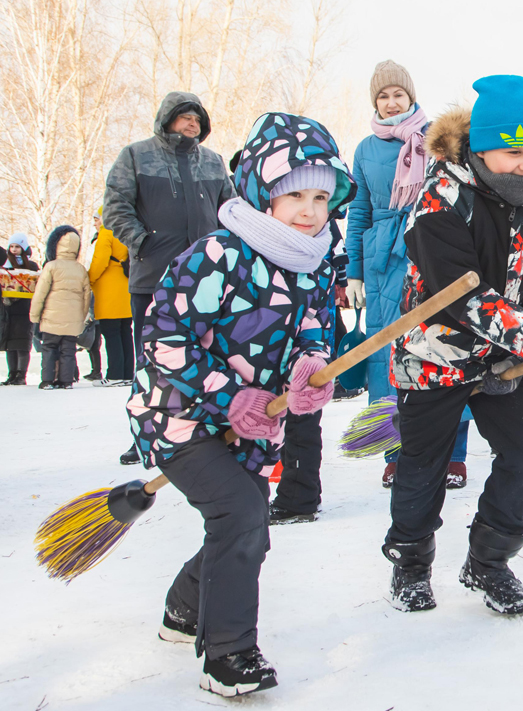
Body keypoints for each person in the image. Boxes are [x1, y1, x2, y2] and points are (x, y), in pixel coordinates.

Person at [128, 112, 352, 696]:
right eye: (294, 194)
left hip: (251, 426)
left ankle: (183, 610)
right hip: (177, 416)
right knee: (242, 516)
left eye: (320, 195)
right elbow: (162, 340)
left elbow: (314, 327)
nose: (309, 209)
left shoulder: (314, 259)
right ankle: (228, 654)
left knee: (249, 526)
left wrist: (309, 368)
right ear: (259, 192)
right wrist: (230, 397)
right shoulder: (216, 256)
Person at [383, 75, 523, 617]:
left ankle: (489, 560)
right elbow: (455, 293)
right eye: (513, 151)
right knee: (424, 464)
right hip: (435, 355)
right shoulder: (442, 198)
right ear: (481, 148)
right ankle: (411, 565)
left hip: (507, 364)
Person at [104, 91, 233, 463]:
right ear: (166, 119)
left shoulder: (212, 162)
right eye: (184, 117)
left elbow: (231, 209)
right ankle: (144, 433)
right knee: (151, 359)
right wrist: (142, 243)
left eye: (197, 118)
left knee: (208, 355)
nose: (191, 123)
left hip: (208, 281)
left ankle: (203, 427)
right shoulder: (136, 155)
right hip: (154, 275)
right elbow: (114, 206)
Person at [344, 61, 433, 489]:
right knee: (386, 355)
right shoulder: (365, 148)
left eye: (398, 94)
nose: (391, 101)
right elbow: (358, 210)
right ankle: (395, 452)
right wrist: (354, 271)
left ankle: (449, 452)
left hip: (429, 250)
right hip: (381, 259)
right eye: (383, 96)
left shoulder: (436, 138)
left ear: (411, 97)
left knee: (440, 349)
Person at [29, 226, 91, 389]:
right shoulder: (81, 269)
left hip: (52, 318)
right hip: (72, 319)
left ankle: (47, 380)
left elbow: (40, 293)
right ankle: (66, 381)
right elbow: (87, 297)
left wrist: (34, 315)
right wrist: (82, 318)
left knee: (49, 348)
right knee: (68, 350)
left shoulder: (51, 266)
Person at [87, 206, 134, 385]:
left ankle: (114, 375)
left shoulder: (106, 234)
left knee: (111, 333)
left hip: (109, 292)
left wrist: (89, 279)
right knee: (125, 332)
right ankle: (127, 374)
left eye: (97, 218)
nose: (95, 223)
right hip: (125, 288)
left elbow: (100, 261)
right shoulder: (125, 231)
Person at [1, 233, 39, 385]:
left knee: (22, 342)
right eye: (12, 246)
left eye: (17, 246)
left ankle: (21, 375)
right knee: (10, 345)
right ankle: (12, 374)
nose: (14, 249)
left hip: (25, 309)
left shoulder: (31, 266)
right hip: (8, 310)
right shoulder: (4, 267)